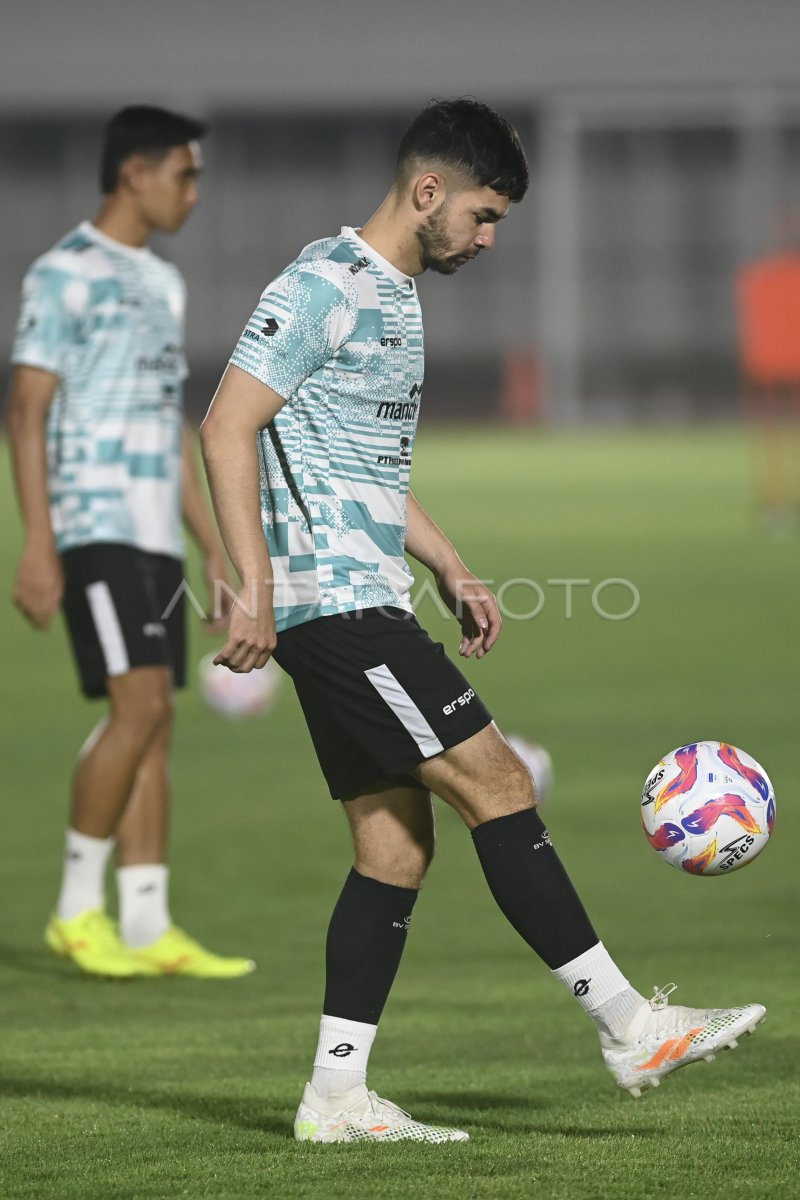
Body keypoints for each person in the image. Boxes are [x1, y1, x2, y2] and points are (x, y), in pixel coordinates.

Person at [200, 99, 765, 1141]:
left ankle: (333, 1096)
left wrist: (449, 560)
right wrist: (250, 579)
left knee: (391, 849)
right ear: (427, 193)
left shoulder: (396, 295)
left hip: (364, 591)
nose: (487, 238)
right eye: (484, 214)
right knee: (497, 781)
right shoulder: (322, 284)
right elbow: (228, 421)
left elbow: (364, 467)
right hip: (336, 605)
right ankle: (628, 1025)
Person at [9, 105, 254, 980]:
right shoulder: (64, 274)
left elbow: (165, 424)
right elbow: (26, 410)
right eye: (184, 174)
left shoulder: (165, 283)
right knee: (138, 708)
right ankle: (78, 912)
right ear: (134, 174)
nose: (194, 191)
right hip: (93, 522)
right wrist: (39, 543)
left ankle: (147, 924)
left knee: (157, 724)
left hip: (151, 533)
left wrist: (212, 548)